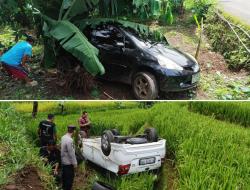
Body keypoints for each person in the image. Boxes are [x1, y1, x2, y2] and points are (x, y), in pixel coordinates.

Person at [61, 125, 78, 190]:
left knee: (64, 178)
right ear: (73, 132)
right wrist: (75, 164)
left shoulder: (63, 137)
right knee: (69, 180)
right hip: (68, 163)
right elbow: (71, 153)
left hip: (63, 161)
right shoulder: (70, 140)